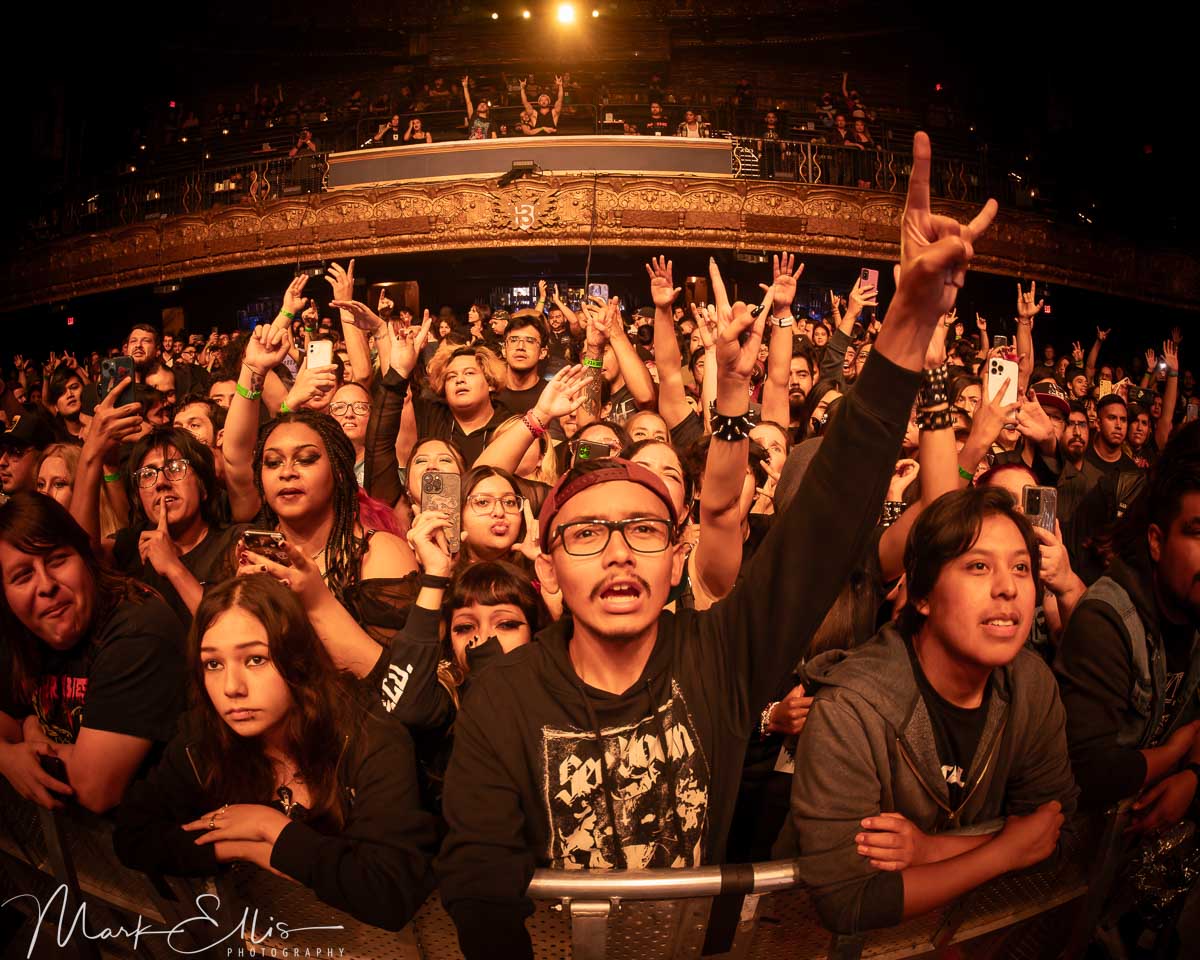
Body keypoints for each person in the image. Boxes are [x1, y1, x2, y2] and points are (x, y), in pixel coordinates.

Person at [435, 131, 1000, 958]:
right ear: (547, 565)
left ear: (677, 556)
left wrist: (910, 322)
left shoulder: (723, 658)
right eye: (587, 533)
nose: (619, 552)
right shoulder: (502, 699)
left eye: (643, 529)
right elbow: (479, 888)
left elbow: (829, 514)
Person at [786, 487, 1077, 934]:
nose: (1007, 587)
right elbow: (848, 902)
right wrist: (1004, 851)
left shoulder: (1031, 684)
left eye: (1021, 567)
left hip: (960, 936)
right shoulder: (850, 708)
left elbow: (1055, 834)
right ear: (922, 596)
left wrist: (930, 852)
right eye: (978, 566)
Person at [113, 575, 436, 931]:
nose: (231, 688)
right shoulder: (201, 739)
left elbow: (389, 893)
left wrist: (269, 827)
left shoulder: (369, 737)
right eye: (213, 664)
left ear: (297, 658)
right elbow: (133, 836)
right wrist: (241, 848)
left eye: (255, 659)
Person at [0, 493, 184, 813]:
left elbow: (94, 788)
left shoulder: (138, 629)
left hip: (151, 833)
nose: (45, 585)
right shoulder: (21, 629)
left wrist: (31, 735)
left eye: (57, 560)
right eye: (23, 576)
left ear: (86, 559)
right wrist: (5, 756)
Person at [1055, 426, 1200, 818]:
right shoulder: (1108, 619)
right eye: (1198, 533)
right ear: (1156, 541)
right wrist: (1174, 753)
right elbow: (1088, 773)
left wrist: (1193, 775)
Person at [496, 315, 549, 415]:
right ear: (504, 350)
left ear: (542, 353)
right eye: (513, 340)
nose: (520, 347)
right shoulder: (488, 395)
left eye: (530, 341)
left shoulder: (551, 395)